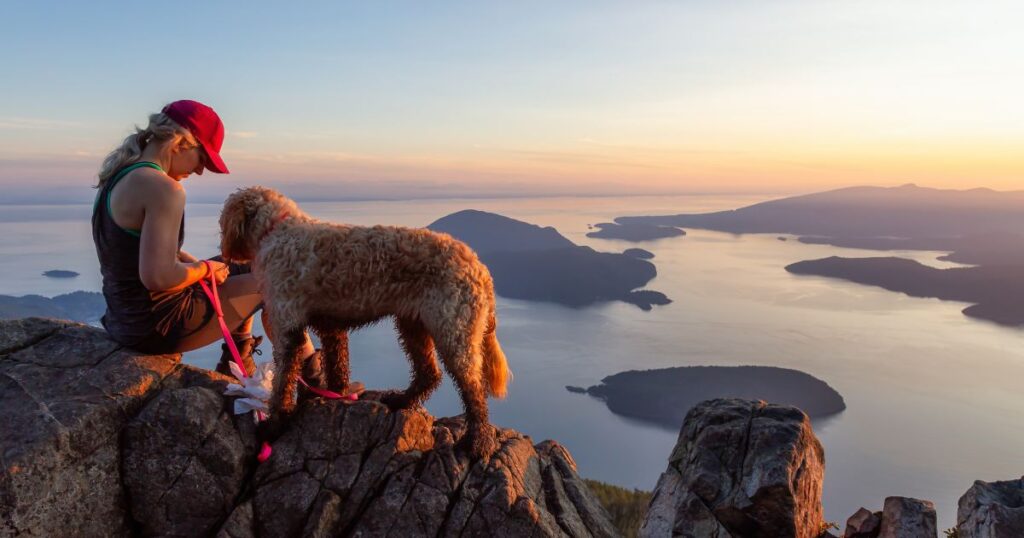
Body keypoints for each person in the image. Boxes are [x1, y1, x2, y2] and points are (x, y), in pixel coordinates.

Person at [91, 99, 316, 376]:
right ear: (180, 143)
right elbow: (157, 277)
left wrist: (193, 265)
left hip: (124, 320)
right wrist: (204, 269)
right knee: (280, 278)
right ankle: (316, 380)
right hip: (160, 325)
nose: (199, 170)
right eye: (203, 158)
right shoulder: (164, 189)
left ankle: (236, 364)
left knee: (243, 263)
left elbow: (130, 253)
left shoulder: (118, 176)